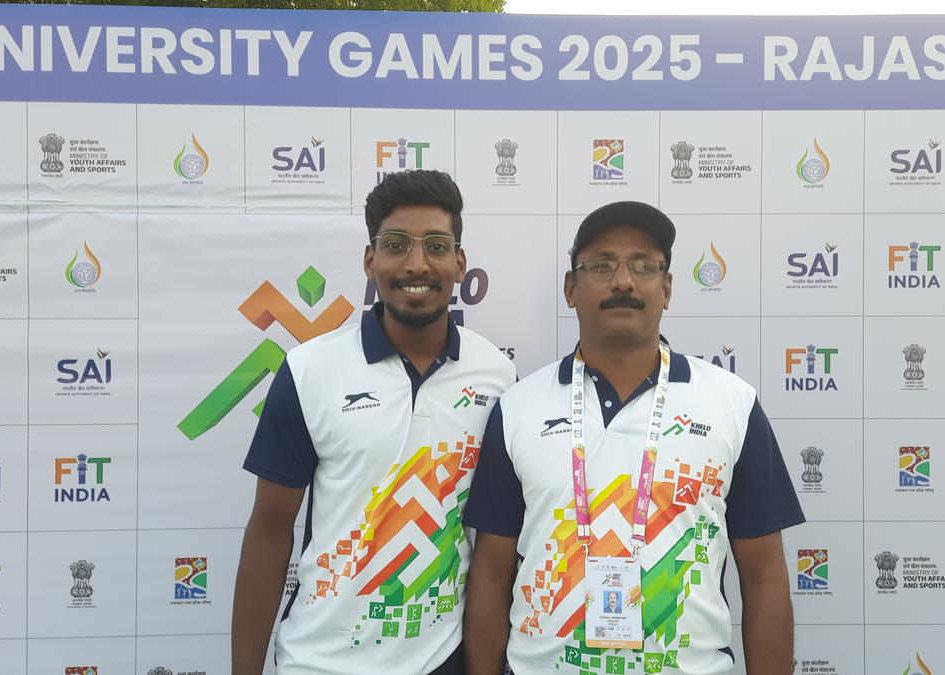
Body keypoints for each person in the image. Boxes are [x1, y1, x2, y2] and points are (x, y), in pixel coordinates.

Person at [463, 201, 804, 675]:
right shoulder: (518, 408)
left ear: (666, 289)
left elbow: (765, 578)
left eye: (644, 266)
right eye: (602, 265)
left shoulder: (733, 403)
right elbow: (492, 572)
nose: (623, 280)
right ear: (570, 289)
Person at [231, 170, 516, 675]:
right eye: (396, 244)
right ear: (370, 260)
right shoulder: (310, 370)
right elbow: (270, 534)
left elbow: (496, 540)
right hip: (321, 661)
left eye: (435, 245)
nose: (416, 263)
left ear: (459, 262)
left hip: (441, 660)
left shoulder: (496, 373)